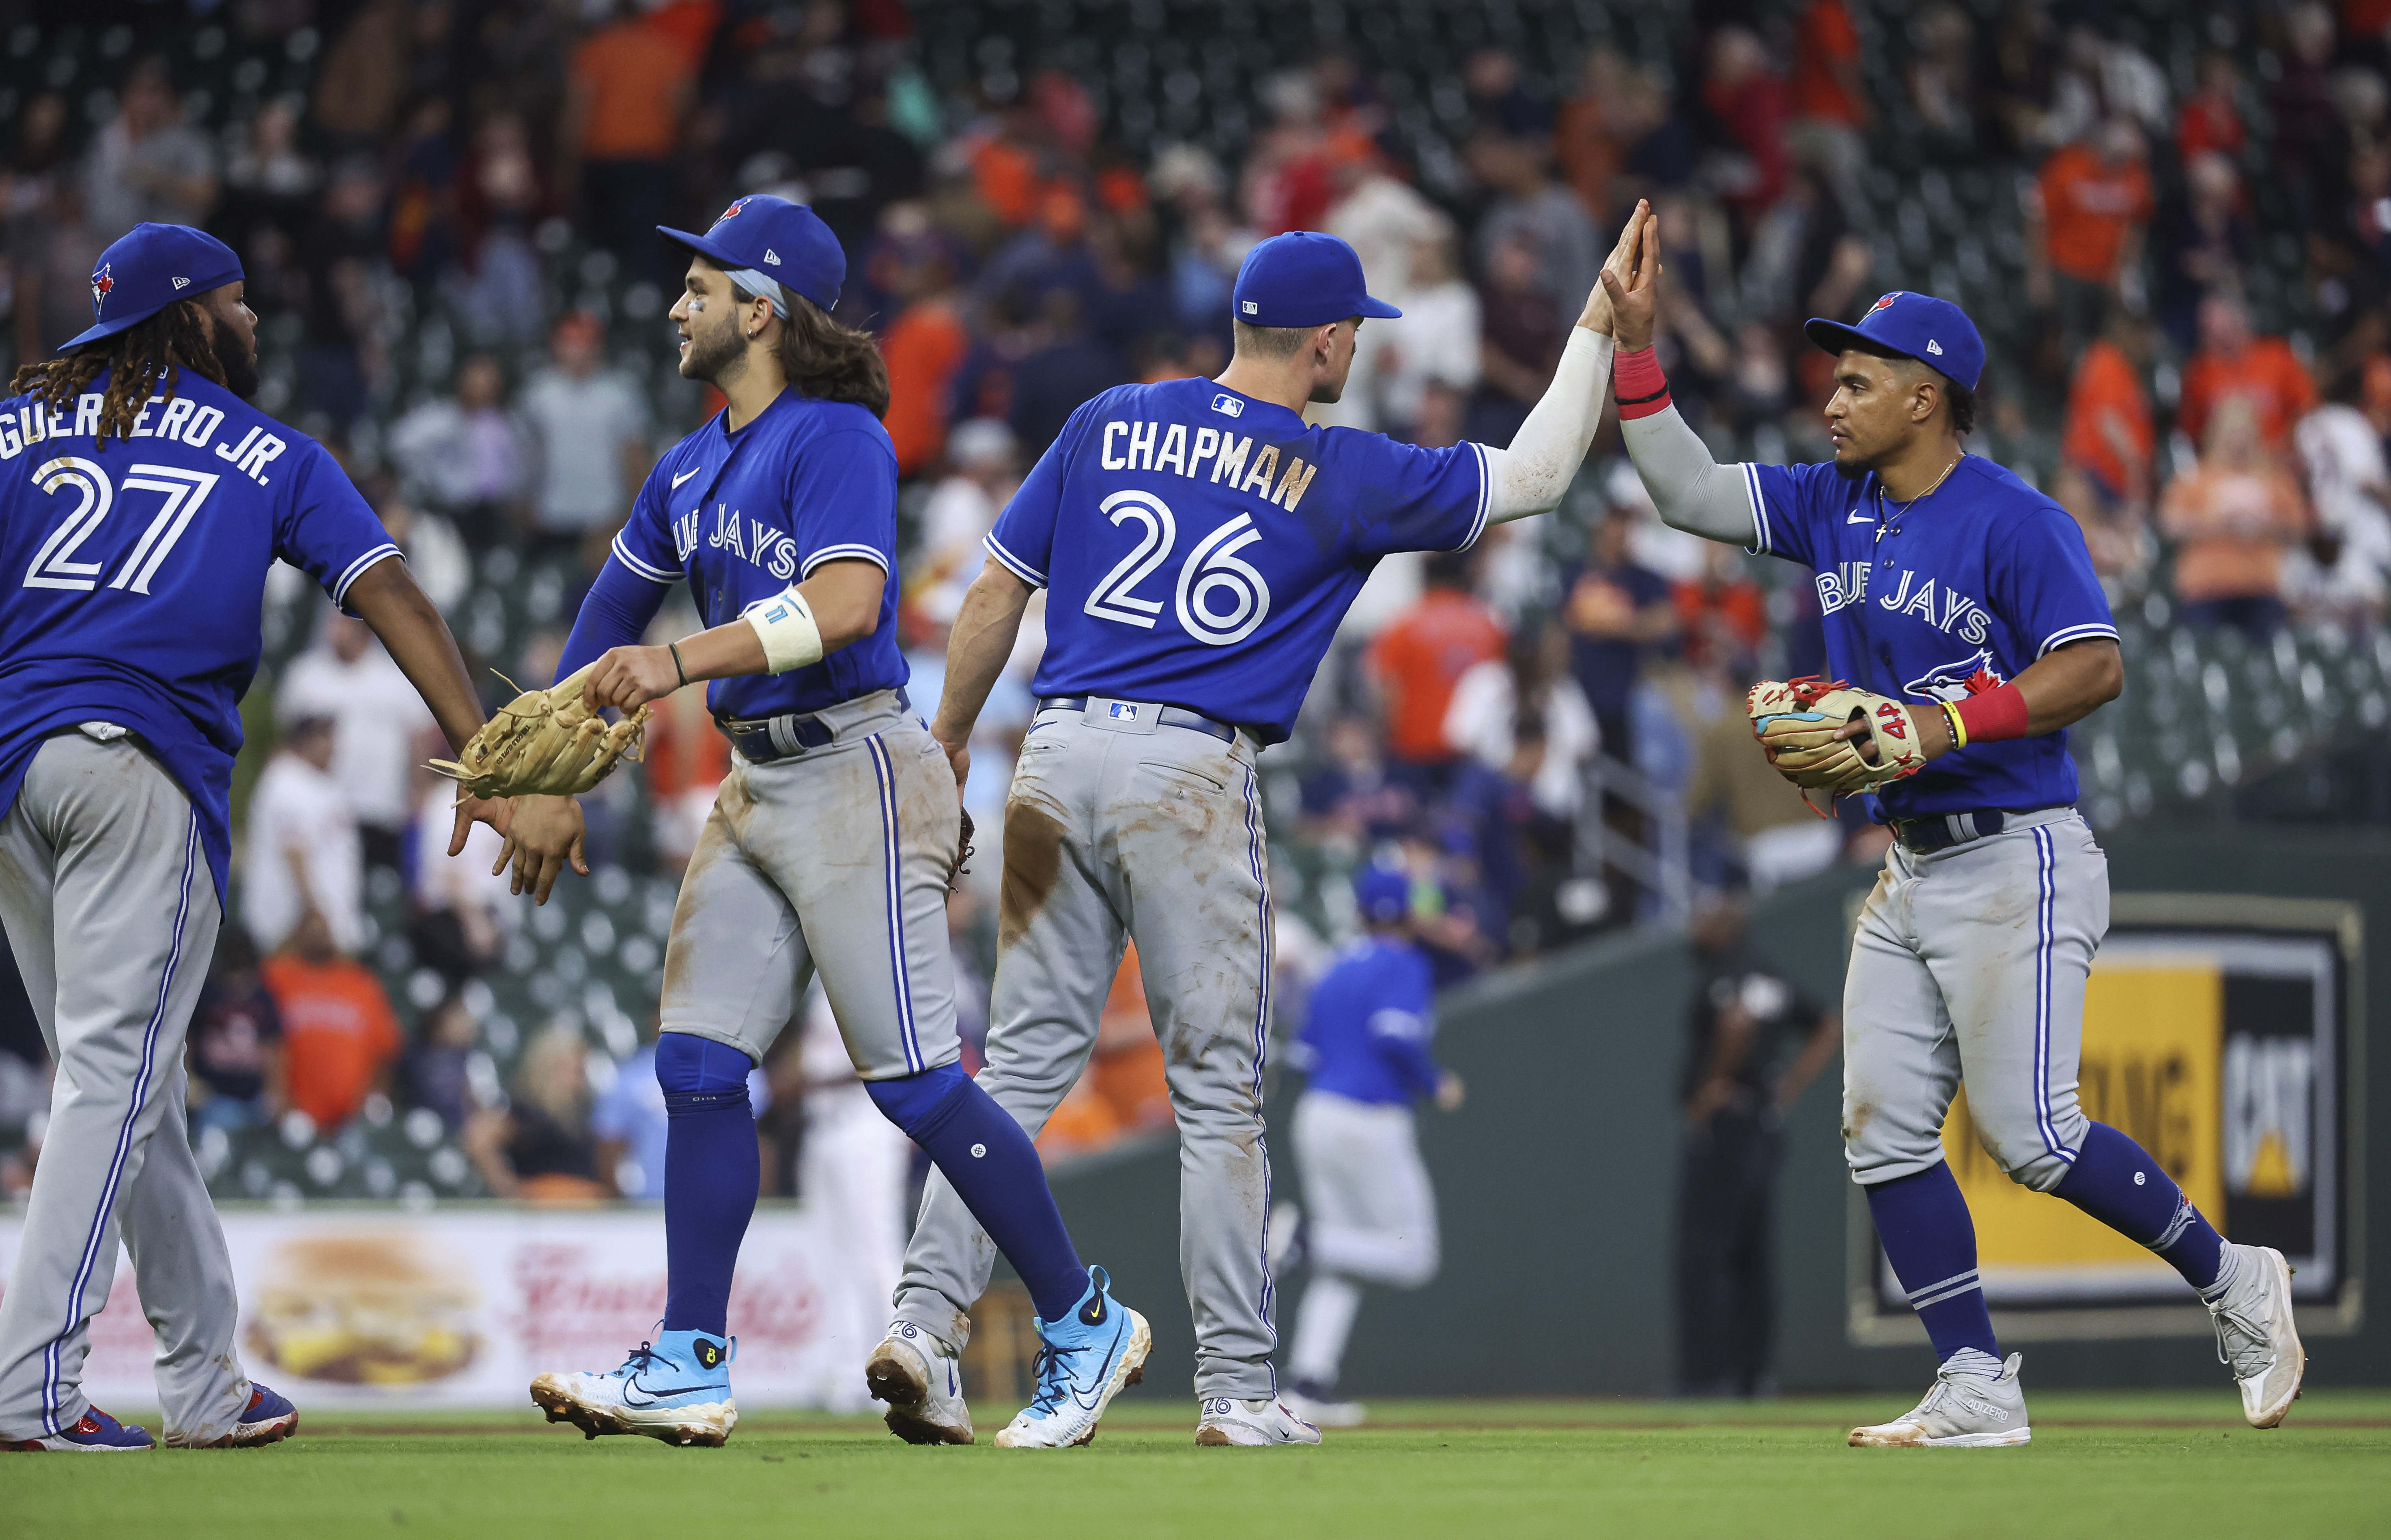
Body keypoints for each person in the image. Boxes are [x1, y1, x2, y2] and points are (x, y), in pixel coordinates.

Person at [885, 209, 1651, 1447]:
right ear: (1329, 341)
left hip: (1054, 752)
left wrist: (949, 748)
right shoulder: (1339, 465)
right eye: (1353, 337)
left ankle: (922, 1324)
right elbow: (1539, 472)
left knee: (1015, 1073)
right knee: (1219, 1097)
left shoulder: (1107, 418)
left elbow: (990, 593)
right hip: (1185, 768)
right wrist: (1595, 322)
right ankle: (1236, 1389)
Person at [1599, 241, 2306, 1443]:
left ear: (1924, 395)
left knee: (2030, 1133)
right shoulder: (1831, 502)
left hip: (2014, 848)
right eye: (1832, 381)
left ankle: (2232, 1276)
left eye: (1855, 381)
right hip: (1910, 859)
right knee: (1876, 1121)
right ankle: (1972, 1377)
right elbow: (1688, 493)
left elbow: (2092, 663)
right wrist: (1632, 350)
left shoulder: (2012, 521)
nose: (1829, 398)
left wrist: (1935, 719)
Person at [522, 195, 1147, 1451]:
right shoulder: (687, 464)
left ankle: (1084, 1322)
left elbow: (854, 602)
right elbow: (601, 631)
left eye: (698, 287)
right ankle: (692, 1358)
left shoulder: (836, 434)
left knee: (914, 1083)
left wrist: (681, 660)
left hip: (856, 763)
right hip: (755, 780)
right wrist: (538, 776)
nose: (674, 305)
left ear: (761, 308)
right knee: (697, 1067)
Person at [0, 223, 573, 1453]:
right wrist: (496, 757)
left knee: (124, 1079)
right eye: (237, 298)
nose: (254, 320)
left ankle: (203, 1378)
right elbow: (394, 595)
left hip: (15, 775)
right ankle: (28, 1387)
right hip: (135, 767)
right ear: (184, 312)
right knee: (115, 1075)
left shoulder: (14, 428)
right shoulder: (270, 448)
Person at [1279, 865, 1463, 1428]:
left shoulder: (1334, 967)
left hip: (1316, 1113)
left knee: (1346, 1262)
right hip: (1368, 1116)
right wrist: (1435, 1083)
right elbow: (1394, 1033)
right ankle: (1299, 1240)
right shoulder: (1404, 962)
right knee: (1414, 1255)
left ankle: (1307, 1383)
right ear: (1408, 915)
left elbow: (1302, 1056)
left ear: (1360, 914)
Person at [1673, 895, 1839, 1398]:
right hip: (1763, 1124)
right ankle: (1753, 1374)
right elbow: (1826, 1025)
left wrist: (1710, 1089)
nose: (1695, 925)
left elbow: (1736, 1023)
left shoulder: (1729, 972)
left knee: (1704, 1253)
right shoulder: (1768, 973)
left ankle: (1707, 1377)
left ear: (1725, 924)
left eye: (1704, 916)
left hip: (1727, 1125)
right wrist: (1785, 1088)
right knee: (1753, 1254)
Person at [274, 611, 436, 869]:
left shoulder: (395, 678)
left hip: (378, 810)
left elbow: (420, 739)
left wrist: (418, 793)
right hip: (319, 810)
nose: (334, 630)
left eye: (342, 623)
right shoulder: (305, 676)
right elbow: (287, 741)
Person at [515, 312, 652, 556]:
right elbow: (525, 456)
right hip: (549, 517)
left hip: (606, 518)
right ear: (557, 346)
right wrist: (524, 508)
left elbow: (635, 457)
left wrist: (634, 514)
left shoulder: (620, 394)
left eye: (584, 343)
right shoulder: (538, 394)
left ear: (598, 347)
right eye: (570, 343)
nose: (577, 351)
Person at [260, 912, 403, 1135]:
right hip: (292, 1113)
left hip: (353, 1117)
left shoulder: (360, 982)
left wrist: (376, 1097)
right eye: (311, 929)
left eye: (323, 929)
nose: (319, 935)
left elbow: (385, 1049)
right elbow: (264, 1040)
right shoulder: (277, 975)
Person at [239, 715, 365, 956]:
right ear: (303, 741)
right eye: (323, 738)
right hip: (291, 927)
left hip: (328, 922)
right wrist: (315, 916)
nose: (332, 746)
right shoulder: (284, 781)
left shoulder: (321, 783)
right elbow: (294, 854)